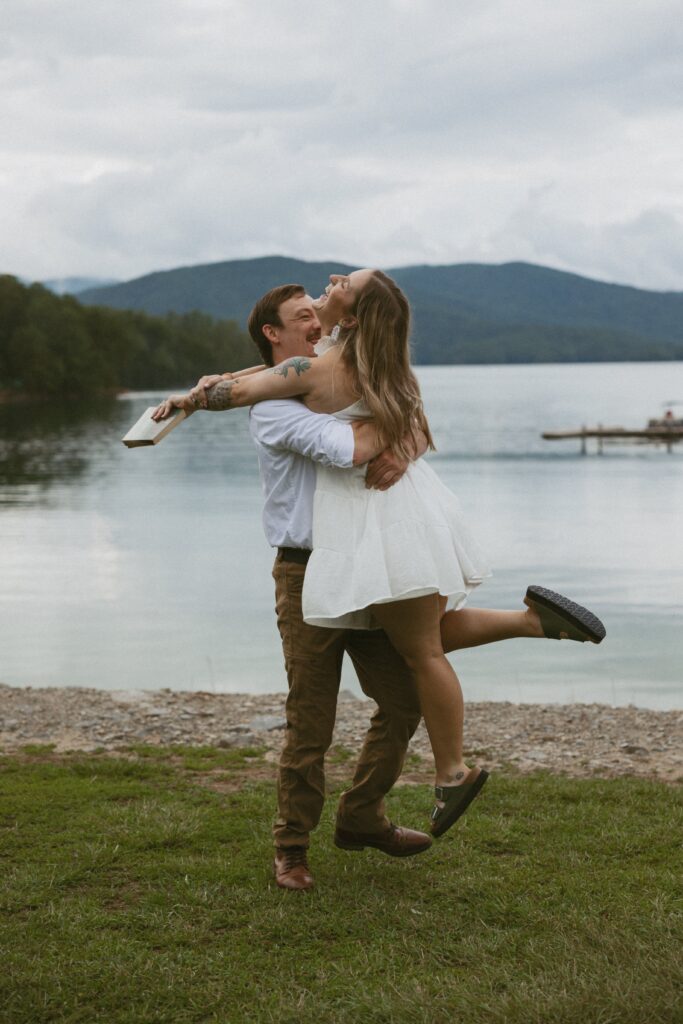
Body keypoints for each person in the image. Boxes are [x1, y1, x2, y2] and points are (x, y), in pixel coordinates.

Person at [154, 269, 606, 847]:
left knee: (414, 664)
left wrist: (195, 397)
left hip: (366, 540)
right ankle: (295, 843)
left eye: (343, 285)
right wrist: (401, 432)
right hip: (343, 547)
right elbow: (276, 384)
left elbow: (281, 412)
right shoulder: (373, 367)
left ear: (347, 319)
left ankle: (412, 791)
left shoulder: (316, 369)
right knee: (358, 686)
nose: (333, 280)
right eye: (305, 310)